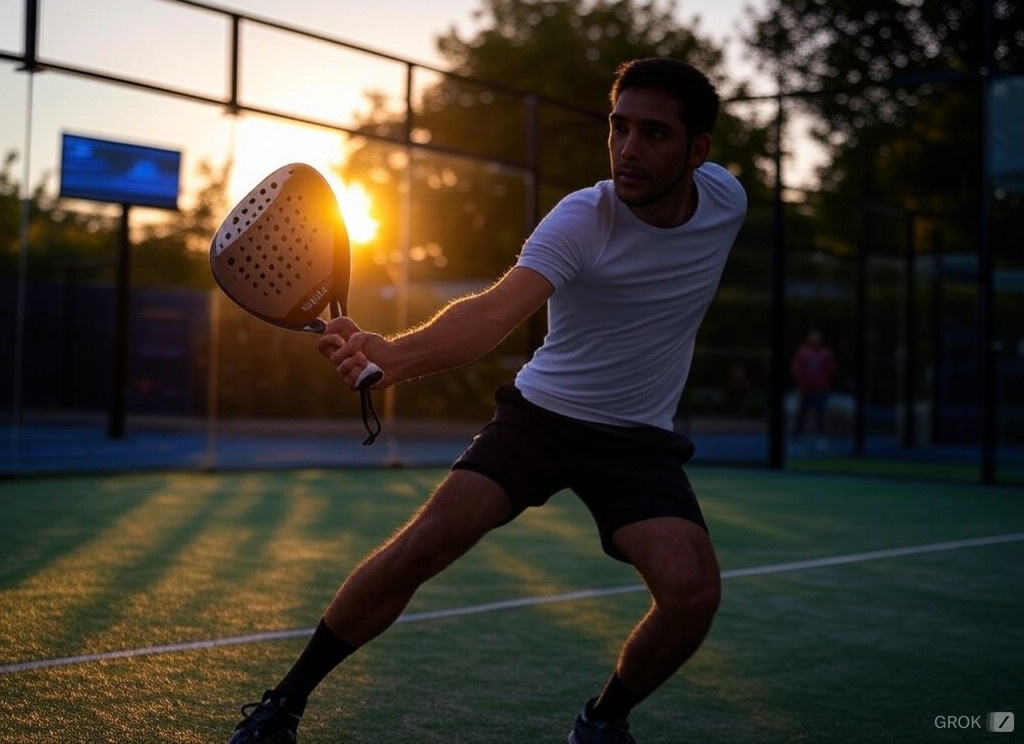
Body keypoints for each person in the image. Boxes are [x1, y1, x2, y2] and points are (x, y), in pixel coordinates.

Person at [227, 57, 747, 744]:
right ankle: (282, 706)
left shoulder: (727, 201)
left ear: (698, 150)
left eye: (653, 134)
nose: (628, 149)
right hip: (543, 418)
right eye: (619, 128)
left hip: (637, 440)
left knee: (692, 594)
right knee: (422, 547)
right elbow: (491, 313)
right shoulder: (582, 219)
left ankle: (602, 721)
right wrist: (392, 356)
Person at [790, 329, 837, 437]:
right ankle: (797, 432)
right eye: (813, 339)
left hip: (820, 386)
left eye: (817, 339)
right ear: (809, 340)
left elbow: (831, 368)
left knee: (820, 411)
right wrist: (800, 381)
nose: (816, 341)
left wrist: (826, 381)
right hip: (805, 386)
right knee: (802, 410)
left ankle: (820, 433)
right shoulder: (802, 352)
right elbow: (796, 367)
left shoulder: (825, 353)